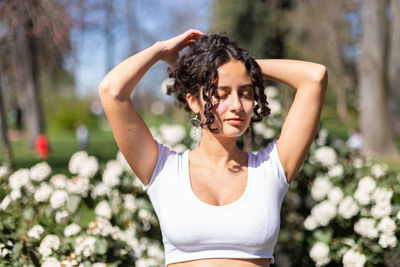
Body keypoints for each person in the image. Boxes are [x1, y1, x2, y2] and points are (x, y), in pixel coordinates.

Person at [98, 29, 327, 267]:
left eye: (245, 93)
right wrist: (161, 50)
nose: (237, 105)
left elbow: (315, 77)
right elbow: (112, 91)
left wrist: (239, 64)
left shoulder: (271, 168)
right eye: (222, 94)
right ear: (194, 101)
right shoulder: (163, 169)